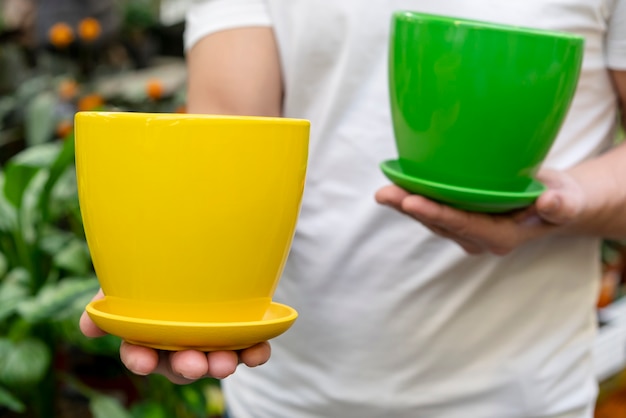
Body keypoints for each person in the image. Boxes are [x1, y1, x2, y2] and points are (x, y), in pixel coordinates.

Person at [80, 0, 626, 416]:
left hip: (526, 397)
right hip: (285, 398)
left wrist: (569, 203)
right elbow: (229, 145)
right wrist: (178, 297)